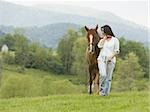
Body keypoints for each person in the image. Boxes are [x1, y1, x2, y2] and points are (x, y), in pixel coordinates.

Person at [97, 25, 120, 96]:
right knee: (103, 74)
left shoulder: (115, 40)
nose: (102, 33)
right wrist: (104, 39)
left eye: (103, 31)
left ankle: (106, 93)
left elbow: (117, 50)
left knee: (108, 78)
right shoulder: (102, 40)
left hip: (111, 60)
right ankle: (101, 91)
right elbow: (99, 46)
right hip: (101, 59)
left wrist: (111, 56)